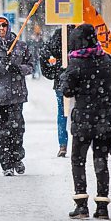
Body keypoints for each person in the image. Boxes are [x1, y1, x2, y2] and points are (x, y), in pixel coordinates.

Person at [59, 24, 111, 220]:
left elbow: (67, 91)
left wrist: (65, 77)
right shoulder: (106, 59)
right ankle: (102, 206)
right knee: (101, 160)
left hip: (84, 120)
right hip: (105, 119)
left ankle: (81, 205)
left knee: (78, 159)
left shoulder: (76, 63)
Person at [0, 16, 34, 176]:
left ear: (8, 26)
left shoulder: (20, 46)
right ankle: (6, 164)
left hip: (16, 95)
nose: (1, 28)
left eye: (4, 25)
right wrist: (0, 64)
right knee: (0, 132)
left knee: (17, 129)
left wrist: (19, 69)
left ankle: (17, 158)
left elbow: (31, 65)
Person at [39, 25, 75, 157]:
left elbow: (44, 51)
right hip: (79, 82)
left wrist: (53, 64)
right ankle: (78, 142)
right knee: (79, 113)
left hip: (62, 81)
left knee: (63, 114)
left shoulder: (59, 34)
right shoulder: (81, 33)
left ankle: (63, 145)